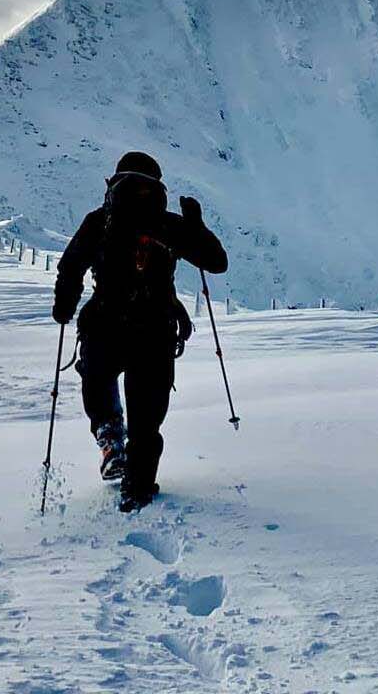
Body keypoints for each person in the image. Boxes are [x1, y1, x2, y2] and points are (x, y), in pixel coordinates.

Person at [52, 151, 228, 512]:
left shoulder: (100, 221)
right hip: (155, 329)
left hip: (105, 324)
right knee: (147, 416)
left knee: (98, 381)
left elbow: (71, 266)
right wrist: (197, 227)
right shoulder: (168, 225)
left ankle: (110, 439)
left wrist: (64, 306)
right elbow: (215, 262)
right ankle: (138, 486)